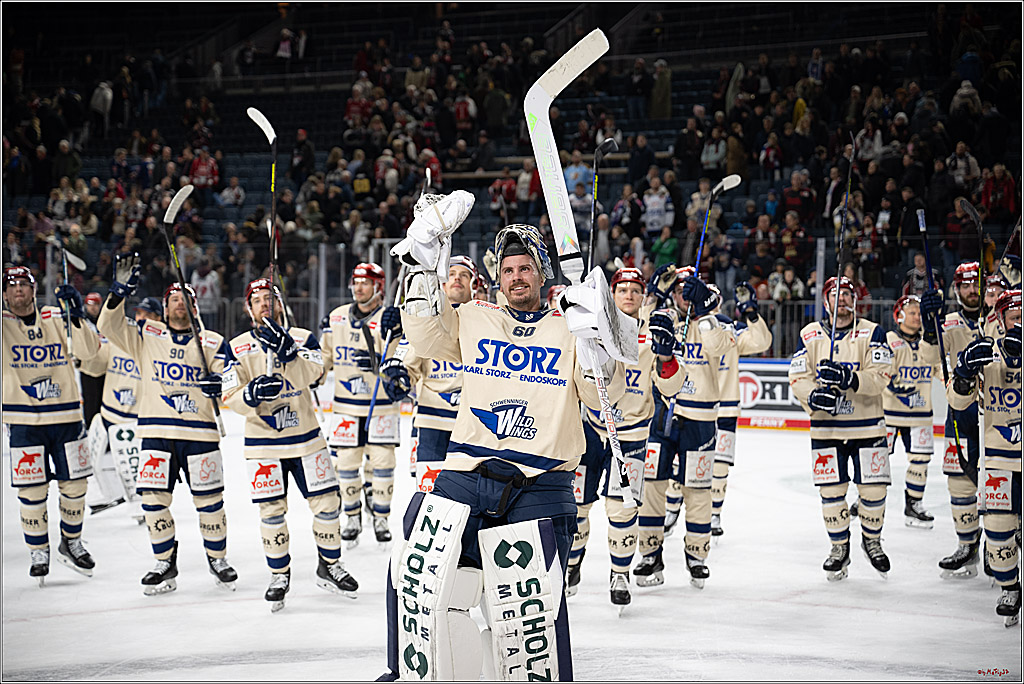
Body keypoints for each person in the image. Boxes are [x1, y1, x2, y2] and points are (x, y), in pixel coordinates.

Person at [379, 206, 627, 680]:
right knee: (415, 572)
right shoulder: (474, 316)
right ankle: (409, 671)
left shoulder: (568, 326)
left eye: (525, 268)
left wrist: (601, 341)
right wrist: (422, 262)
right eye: (507, 269)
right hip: (467, 476)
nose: (515, 278)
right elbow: (426, 336)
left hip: (541, 483)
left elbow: (601, 396)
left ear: (542, 274)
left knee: (526, 612)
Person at [97, 253, 237, 595]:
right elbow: (107, 327)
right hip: (157, 434)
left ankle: (217, 558)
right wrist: (117, 293)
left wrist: (221, 384)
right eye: (174, 300)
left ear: (196, 305)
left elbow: (233, 379)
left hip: (200, 434)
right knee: (153, 501)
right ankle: (164, 561)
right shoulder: (147, 333)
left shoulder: (213, 342)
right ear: (165, 306)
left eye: (186, 300)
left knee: (210, 503)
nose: (180, 305)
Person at [222, 278, 358, 611]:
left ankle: (330, 565)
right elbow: (229, 394)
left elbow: (316, 373)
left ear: (282, 304)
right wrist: (251, 394)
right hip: (263, 445)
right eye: (258, 300)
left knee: (327, 505)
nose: (265, 304)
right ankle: (278, 574)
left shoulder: (302, 337)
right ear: (247, 308)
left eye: (271, 298)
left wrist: (290, 354)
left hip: (307, 440)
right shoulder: (237, 346)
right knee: (271, 513)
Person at [565, 267, 683, 608]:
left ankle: (620, 573)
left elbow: (671, 386)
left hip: (630, 437)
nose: (628, 295)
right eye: (622, 289)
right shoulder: (590, 326)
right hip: (589, 432)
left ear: (643, 296)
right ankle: (572, 565)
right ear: (611, 295)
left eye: (635, 290)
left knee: (622, 510)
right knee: (578, 506)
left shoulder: (653, 333)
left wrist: (666, 356)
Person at [788, 275, 894, 581]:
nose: (842, 299)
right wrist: (813, 395)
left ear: (856, 300)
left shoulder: (874, 332)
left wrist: (851, 379)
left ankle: (871, 541)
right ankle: (839, 547)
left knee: (873, 493)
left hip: (868, 429)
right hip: (827, 431)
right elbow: (797, 375)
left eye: (847, 294)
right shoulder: (809, 335)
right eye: (835, 295)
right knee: (832, 493)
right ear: (825, 301)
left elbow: (882, 374)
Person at [633, 266, 732, 589]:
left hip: (700, 418)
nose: (682, 296)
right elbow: (636, 334)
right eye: (677, 290)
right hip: (660, 415)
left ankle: (697, 556)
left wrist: (703, 310)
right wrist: (654, 296)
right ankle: (650, 555)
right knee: (652, 486)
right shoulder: (661, 315)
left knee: (697, 490)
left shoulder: (713, 320)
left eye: (688, 290)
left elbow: (719, 348)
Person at [3, 267, 100, 584]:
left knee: (76, 487)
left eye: (24, 285)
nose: (18, 290)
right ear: (4, 294)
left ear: (34, 290)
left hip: (67, 417)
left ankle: (71, 541)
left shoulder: (56, 317)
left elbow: (89, 351)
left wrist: (78, 316)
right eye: (11, 285)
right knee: (32, 490)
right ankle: (38, 550)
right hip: (24, 421)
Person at [946, 289, 1020, 626]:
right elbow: (959, 402)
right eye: (1014, 315)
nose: (1019, 320)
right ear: (1001, 320)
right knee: (998, 530)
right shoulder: (986, 354)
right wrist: (962, 375)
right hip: (1000, 458)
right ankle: (1011, 586)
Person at [320, 262, 404, 547]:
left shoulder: (390, 319)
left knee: (383, 465)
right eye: (355, 282)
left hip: (381, 405)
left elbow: (400, 361)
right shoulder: (336, 318)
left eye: (365, 283)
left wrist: (383, 360)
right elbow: (324, 359)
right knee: (345, 466)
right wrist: (310, 375)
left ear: (379, 288)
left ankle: (380, 517)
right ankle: (352, 515)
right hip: (345, 407)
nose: (358, 288)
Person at [919, 262, 985, 578]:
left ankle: (1005, 544)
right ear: (956, 290)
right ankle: (968, 545)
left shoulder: (1000, 320)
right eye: (966, 285)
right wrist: (930, 330)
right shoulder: (948, 324)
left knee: (1005, 482)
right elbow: (928, 359)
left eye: (977, 285)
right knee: (959, 484)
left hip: (999, 417)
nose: (972, 291)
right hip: (960, 415)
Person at [398, 256, 477, 492]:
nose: (457, 279)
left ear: (474, 283)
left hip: (472, 424)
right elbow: (409, 366)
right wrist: (399, 377)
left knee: (469, 499)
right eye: (452, 274)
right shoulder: (427, 319)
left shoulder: (484, 317)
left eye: (464, 275)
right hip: (432, 421)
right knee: (428, 498)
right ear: (442, 283)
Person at [705, 281, 772, 537]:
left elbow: (762, 341)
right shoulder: (686, 326)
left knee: (719, 465)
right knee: (684, 463)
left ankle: (714, 513)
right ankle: (675, 507)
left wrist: (752, 315)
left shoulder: (732, 328)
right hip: (691, 405)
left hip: (725, 406)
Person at [88, 297, 163, 521]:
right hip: (109, 414)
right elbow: (95, 365)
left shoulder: (161, 348)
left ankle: (142, 503)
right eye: (139, 313)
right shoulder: (117, 342)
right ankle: (107, 496)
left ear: (159, 319)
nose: (141, 318)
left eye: (147, 315)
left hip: (138, 420)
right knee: (95, 464)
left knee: (135, 467)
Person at [882, 295, 942, 528]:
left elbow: (940, 368)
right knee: (876, 460)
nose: (917, 317)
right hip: (887, 413)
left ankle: (914, 504)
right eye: (912, 312)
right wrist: (897, 387)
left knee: (920, 461)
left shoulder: (930, 342)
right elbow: (881, 372)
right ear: (899, 315)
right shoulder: (888, 340)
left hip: (921, 414)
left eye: (919, 313)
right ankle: (866, 499)